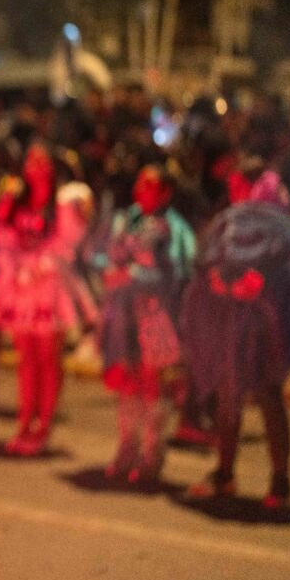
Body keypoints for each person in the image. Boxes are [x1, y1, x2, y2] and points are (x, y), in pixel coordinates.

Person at [180, 163, 290, 509]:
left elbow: (283, 266)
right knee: (230, 396)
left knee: (268, 396)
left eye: (238, 182)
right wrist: (217, 281)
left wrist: (261, 287)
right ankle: (225, 473)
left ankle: (280, 481)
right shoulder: (232, 219)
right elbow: (209, 258)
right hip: (233, 320)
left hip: (265, 324)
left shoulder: (278, 219)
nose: (233, 189)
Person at [0, 144, 97, 456]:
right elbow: (3, 238)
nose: (33, 165)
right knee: (26, 357)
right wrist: (14, 267)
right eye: (29, 159)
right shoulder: (15, 199)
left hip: (50, 286)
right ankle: (24, 421)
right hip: (22, 287)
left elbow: (66, 243)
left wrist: (37, 266)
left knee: (49, 357)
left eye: (40, 159)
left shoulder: (63, 201)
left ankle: (43, 425)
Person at [90, 165, 195, 485]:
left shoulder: (173, 229)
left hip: (154, 314)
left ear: (165, 192)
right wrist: (110, 269)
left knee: (152, 381)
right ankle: (127, 446)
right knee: (128, 378)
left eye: (150, 185)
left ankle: (152, 451)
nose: (141, 189)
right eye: (140, 183)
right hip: (123, 312)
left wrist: (137, 276)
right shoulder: (125, 220)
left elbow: (178, 273)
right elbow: (96, 253)